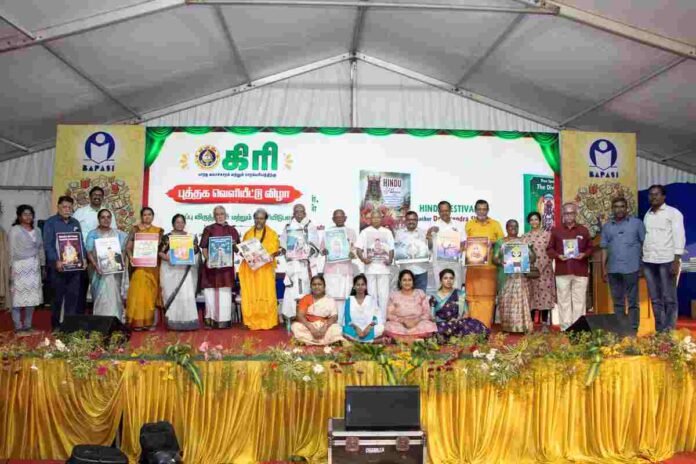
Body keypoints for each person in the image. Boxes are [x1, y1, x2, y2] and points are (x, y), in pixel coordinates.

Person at [642, 185, 685, 332]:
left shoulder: (673, 213)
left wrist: (676, 260)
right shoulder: (648, 214)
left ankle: (669, 331)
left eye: (656, 194)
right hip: (649, 261)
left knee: (669, 299)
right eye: (651, 195)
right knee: (655, 299)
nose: (653, 197)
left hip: (667, 261)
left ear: (663, 196)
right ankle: (660, 331)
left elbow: (679, 237)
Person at [600, 197, 645, 331]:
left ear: (626, 208)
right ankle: (621, 330)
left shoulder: (637, 224)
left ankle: (633, 329)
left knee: (633, 302)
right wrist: (603, 269)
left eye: (622, 206)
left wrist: (642, 265)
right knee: (617, 302)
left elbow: (644, 245)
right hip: (613, 270)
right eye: (616, 207)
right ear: (612, 209)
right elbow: (604, 249)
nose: (619, 209)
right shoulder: (607, 226)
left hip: (631, 269)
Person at [547, 202, 593, 330]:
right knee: (563, 300)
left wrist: (584, 254)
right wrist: (557, 255)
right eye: (566, 213)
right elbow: (549, 249)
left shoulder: (583, 230)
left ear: (576, 213)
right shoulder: (556, 231)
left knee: (579, 301)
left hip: (580, 270)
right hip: (562, 270)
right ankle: (566, 327)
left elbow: (590, 248)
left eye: (571, 213)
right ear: (563, 214)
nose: (569, 216)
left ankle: (579, 328)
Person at [43, 196, 85, 330]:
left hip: (74, 268)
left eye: (69, 207)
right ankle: (56, 325)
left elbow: (80, 243)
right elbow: (48, 245)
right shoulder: (50, 223)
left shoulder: (75, 223)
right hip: (58, 268)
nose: (67, 210)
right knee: (57, 298)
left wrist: (83, 258)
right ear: (58, 207)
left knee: (73, 297)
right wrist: (56, 260)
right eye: (64, 207)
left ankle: (69, 326)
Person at [73, 186, 116, 315]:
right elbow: (73, 233)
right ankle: (79, 316)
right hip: (82, 256)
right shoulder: (80, 213)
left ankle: (99, 314)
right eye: (94, 194)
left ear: (103, 197)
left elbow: (114, 235)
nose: (97, 196)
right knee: (82, 286)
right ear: (90, 197)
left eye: (99, 195)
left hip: (104, 258)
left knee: (102, 289)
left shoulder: (108, 212)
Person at [239, 208, 281, 330]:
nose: (259, 220)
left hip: (265, 270)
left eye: (261, 218)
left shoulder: (272, 233)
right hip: (251, 271)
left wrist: (268, 255)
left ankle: (268, 322)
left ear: (265, 219)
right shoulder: (248, 233)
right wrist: (241, 252)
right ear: (254, 219)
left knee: (267, 294)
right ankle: (252, 322)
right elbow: (244, 251)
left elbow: (274, 251)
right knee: (251, 295)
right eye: (257, 218)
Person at [465, 199, 504, 328]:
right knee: (473, 298)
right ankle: (472, 325)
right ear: (475, 210)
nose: (481, 211)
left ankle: (485, 326)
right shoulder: (469, 224)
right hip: (473, 268)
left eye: (484, 209)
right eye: (479, 209)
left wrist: (491, 243)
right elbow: (464, 243)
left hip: (489, 269)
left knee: (487, 299)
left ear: (487, 210)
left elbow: (502, 243)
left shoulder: (495, 224)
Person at [200, 206, 240, 329]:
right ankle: (210, 321)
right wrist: (208, 260)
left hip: (226, 269)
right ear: (214, 216)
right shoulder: (208, 229)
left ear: (226, 215)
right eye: (217, 214)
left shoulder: (232, 230)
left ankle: (224, 321)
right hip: (211, 268)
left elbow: (238, 249)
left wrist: (234, 245)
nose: (220, 216)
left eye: (222, 214)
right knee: (210, 294)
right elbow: (204, 248)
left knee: (224, 295)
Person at [159, 214, 200, 331]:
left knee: (186, 295)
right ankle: (173, 322)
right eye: (177, 222)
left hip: (186, 272)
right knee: (173, 296)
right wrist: (169, 258)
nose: (180, 224)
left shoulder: (190, 237)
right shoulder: (167, 237)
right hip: (171, 271)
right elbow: (160, 252)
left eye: (182, 222)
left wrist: (193, 251)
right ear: (173, 224)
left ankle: (187, 321)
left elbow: (196, 251)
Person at [493, 220, 535, 333]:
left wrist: (530, 250)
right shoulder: (500, 242)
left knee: (521, 300)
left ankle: (523, 326)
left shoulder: (523, 241)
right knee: (506, 301)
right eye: (510, 226)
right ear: (506, 228)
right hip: (505, 276)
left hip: (520, 276)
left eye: (515, 226)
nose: (513, 228)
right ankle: (508, 327)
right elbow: (495, 258)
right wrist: (503, 262)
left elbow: (532, 258)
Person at [85, 209, 128, 321]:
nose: (106, 219)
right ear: (98, 219)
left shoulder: (119, 234)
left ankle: (116, 320)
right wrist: (96, 266)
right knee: (100, 297)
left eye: (108, 217)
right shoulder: (92, 234)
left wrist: (120, 263)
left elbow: (123, 250)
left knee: (114, 296)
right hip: (98, 271)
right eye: (103, 217)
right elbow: (89, 252)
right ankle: (100, 321)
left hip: (115, 272)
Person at [9, 205, 44, 335]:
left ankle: (28, 326)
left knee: (32, 298)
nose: (28, 217)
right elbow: (11, 250)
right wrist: (10, 268)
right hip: (19, 267)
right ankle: (18, 327)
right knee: (17, 298)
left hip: (34, 267)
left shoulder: (38, 230)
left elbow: (40, 249)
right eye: (25, 214)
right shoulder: (15, 230)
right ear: (19, 216)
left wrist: (43, 265)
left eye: (30, 214)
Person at [280, 204, 320, 320]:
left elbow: (315, 245)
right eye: (296, 212)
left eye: (301, 212)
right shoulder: (288, 226)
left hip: (304, 265)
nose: (298, 214)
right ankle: (291, 316)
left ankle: (306, 316)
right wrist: (285, 250)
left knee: (306, 288)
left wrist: (305, 252)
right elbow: (283, 243)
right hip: (292, 265)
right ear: (293, 213)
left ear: (305, 213)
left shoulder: (310, 226)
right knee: (291, 289)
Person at [125, 207, 163, 330]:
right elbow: (128, 248)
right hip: (139, 267)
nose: (147, 217)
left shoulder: (158, 231)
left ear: (153, 216)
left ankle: (149, 322)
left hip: (152, 267)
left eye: (149, 214)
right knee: (137, 293)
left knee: (151, 295)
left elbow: (161, 250)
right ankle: (137, 323)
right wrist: (131, 257)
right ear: (141, 216)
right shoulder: (135, 230)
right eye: (145, 215)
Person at [357, 210, 395, 322]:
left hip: (384, 269)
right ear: (370, 219)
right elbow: (358, 249)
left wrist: (390, 259)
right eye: (373, 217)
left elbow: (391, 248)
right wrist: (363, 259)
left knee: (384, 296)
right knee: (371, 295)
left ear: (381, 219)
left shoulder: (387, 232)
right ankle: (372, 320)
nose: (376, 220)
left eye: (378, 217)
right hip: (370, 269)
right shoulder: (364, 232)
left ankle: (382, 321)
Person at [432, 268, 488, 341]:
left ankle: (456, 335)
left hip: (458, 321)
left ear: (454, 280)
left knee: (476, 327)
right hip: (443, 323)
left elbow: (466, 313)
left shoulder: (459, 293)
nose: (448, 280)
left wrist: (458, 319)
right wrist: (445, 321)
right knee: (440, 331)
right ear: (441, 280)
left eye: (451, 278)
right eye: (445, 278)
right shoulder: (435, 297)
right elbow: (432, 316)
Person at [321, 209, 357, 323]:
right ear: (333, 219)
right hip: (330, 270)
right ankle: (331, 324)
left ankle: (343, 324)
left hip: (345, 270)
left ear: (345, 218)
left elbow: (355, 249)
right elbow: (322, 249)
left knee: (344, 298)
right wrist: (325, 251)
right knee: (330, 298)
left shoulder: (351, 232)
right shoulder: (328, 233)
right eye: (336, 217)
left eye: (341, 217)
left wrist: (353, 253)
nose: (339, 219)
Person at [384, 270, 437, 342]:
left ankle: (402, 340)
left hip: (418, 322)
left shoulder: (420, 293)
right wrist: (403, 321)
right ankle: (417, 340)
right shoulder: (394, 295)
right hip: (400, 324)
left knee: (428, 325)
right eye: (404, 280)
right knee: (389, 326)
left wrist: (416, 321)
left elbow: (427, 312)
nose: (407, 282)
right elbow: (389, 315)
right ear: (400, 282)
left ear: (413, 281)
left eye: (409, 280)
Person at [291, 275, 344, 345]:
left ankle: (308, 341)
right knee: (296, 326)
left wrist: (325, 327)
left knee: (336, 328)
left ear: (324, 287)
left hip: (324, 325)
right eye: (314, 284)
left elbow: (334, 317)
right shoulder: (306, 298)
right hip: (309, 325)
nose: (317, 287)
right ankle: (326, 341)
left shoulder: (330, 300)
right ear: (310, 287)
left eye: (319, 284)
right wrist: (311, 327)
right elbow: (300, 316)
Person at [524, 212, 556, 325]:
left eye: (536, 219)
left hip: (545, 270)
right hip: (530, 272)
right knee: (531, 294)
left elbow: (551, 251)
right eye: (531, 220)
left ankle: (544, 322)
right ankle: (532, 322)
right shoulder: (525, 237)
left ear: (540, 221)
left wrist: (542, 266)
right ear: (529, 222)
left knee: (544, 295)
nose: (534, 222)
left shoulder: (547, 235)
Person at [427, 201, 466, 288]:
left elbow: (464, 242)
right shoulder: (433, 225)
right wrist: (429, 233)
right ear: (439, 212)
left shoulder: (458, 225)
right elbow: (429, 246)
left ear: (450, 210)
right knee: (440, 288)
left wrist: (461, 248)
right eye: (442, 211)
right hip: (439, 264)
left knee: (455, 288)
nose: (444, 213)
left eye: (446, 210)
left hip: (455, 263)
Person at [343, 274, 384, 343]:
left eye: (362, 284)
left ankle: (358, 341)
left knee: (381, 328)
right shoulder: (349, 300)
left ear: (366, 286)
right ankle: (370, 341)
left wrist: (369, 327)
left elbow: (376, 316)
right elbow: (347, 319)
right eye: (358, 285)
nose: (360, 287)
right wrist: (356, 328)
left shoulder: (371, 299)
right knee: (344, 329)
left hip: (368, 329)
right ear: (354, 287)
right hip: (354, 329)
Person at [395, 211, 429, 292]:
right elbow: (397, 251)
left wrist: (430, 240)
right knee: (404, 298)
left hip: (421, 271)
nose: (411, 221)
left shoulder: (423, 233)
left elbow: (429, 248)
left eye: (414, 219)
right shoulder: (399, 234)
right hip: (405, 271)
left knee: (420, 298)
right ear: (405, 221)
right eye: (409, 219)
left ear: (417, 221)